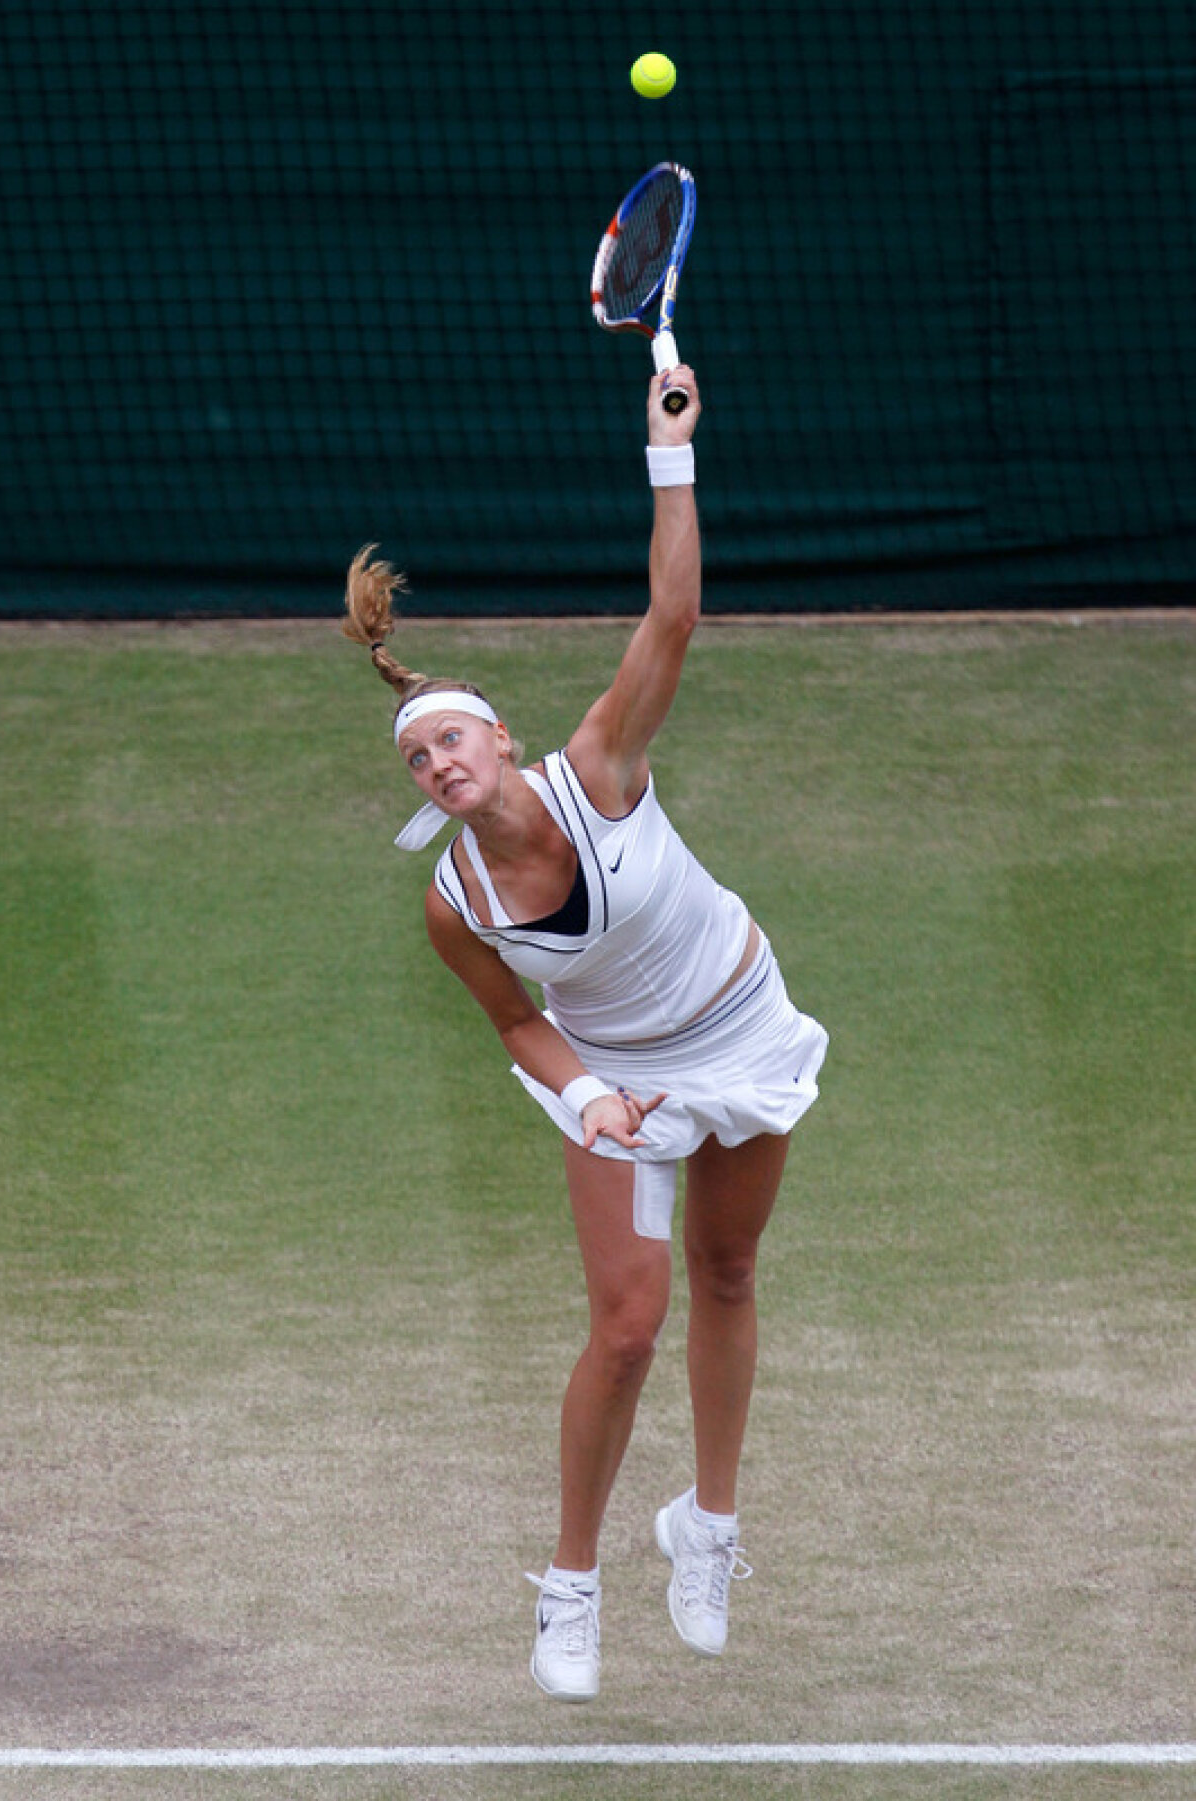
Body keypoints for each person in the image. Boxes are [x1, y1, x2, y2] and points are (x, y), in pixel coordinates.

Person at [342, 364, 828, 1703]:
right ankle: (571, 1585)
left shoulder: (603, 766)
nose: (439, 764)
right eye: (417, 761)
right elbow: (517, 1021)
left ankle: (706, 1528)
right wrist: (588, 1098)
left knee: (728, 1271)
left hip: (742, 1027)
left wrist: (671, 454)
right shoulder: (454, 905)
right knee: (627, 1324)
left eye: (452, 740)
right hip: (614, 1073)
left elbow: (674, 613)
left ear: (501, 739)